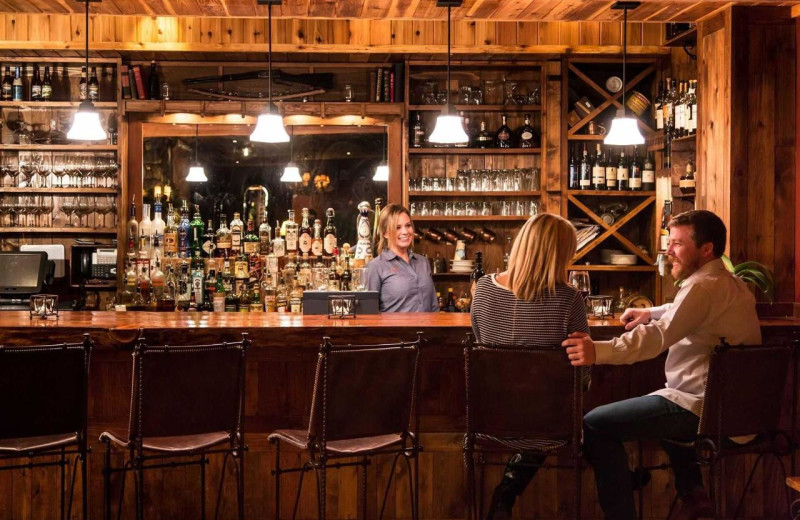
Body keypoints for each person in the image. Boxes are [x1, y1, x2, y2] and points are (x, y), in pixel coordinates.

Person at [562, 210, 761, 520]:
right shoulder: (730, 283)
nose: (668, 251)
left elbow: (655, 340)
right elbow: (683, 310)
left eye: (678, 244)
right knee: (661, 401)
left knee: (595, 424)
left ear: (706, 249)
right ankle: (692, 492)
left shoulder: (701, 289)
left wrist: (596, 351)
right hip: (739, 411)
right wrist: (652, 312)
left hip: (704, 409)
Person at [471, 213, 590, 520]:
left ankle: (506, 495)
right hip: (547, 424)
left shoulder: (483, 289)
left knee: (538, 409)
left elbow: (481, 341)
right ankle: (619, 476)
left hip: (489, 417)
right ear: (561, 254)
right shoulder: (569, 299)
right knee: (578, 418)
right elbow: (583, 374)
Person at [365, 204, 438, 312]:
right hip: (394, 329)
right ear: (385, 233)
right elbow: (369, 313)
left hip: (427, 329)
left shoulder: (423, 262)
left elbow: (433, 306)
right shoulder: (375, 266)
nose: (405, 232)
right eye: (397, 227)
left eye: (408, 225)